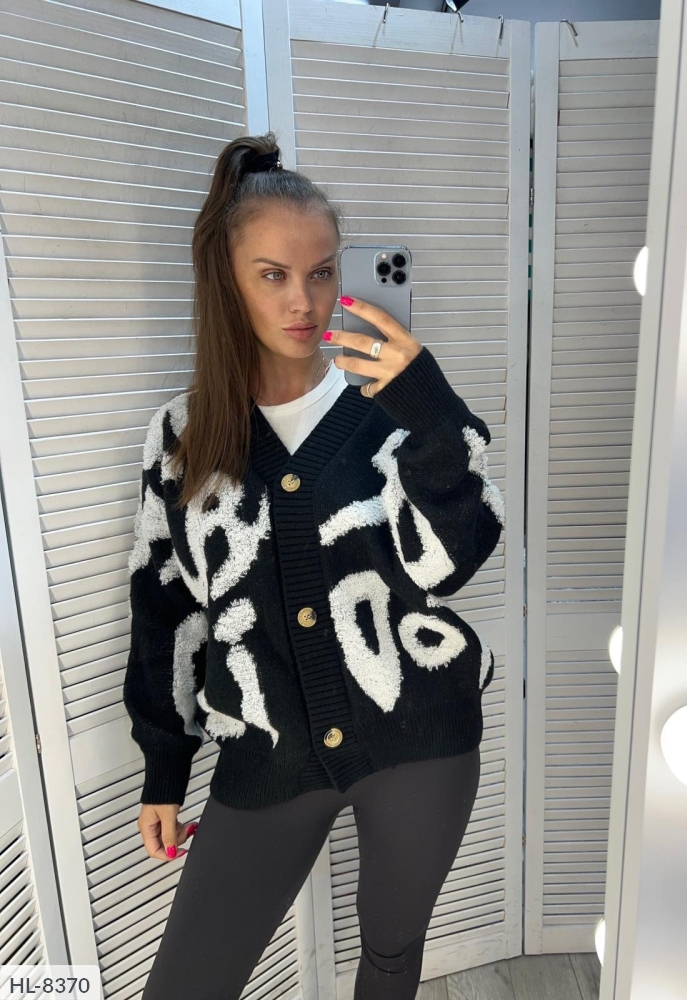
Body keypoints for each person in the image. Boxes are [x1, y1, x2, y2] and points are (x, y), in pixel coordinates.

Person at [123, 131, 505, 1000]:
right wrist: (164, 763)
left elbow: (449, 565)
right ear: (227, 281)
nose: (304, 301)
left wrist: (430, 411)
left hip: (418, 737)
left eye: (323, 272)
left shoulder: (395, 411)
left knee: (390, 959)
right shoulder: (182, 436)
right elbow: (166, 608)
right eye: (273, 275)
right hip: (266, 752)